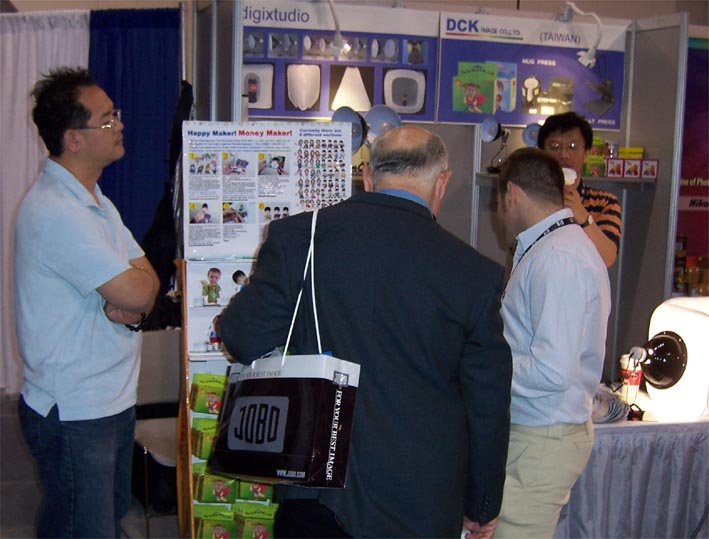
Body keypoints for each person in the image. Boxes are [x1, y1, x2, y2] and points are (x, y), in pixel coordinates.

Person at [220, 125, 512, 539]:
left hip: (316, 493)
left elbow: (242, 336)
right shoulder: (474, 274)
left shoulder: (300, 239)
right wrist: (482, 505)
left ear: (369, 177)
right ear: (441, 183)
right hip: (422, 502)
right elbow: (488, 406)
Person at [14, 67, 160, 538]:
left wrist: (135, 297)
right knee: (86, 526)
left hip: (106, 397)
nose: (119, 125)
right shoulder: (56, 210)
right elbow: (138, 290)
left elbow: (148, 280)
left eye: (116, 114)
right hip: (75, 407)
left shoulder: (94, 200)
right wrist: (135, 296)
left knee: (91, 520)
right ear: (73, 139)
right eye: (106, 119)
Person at [493, 148, 611, 538]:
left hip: (542, 435)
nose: (499, 214)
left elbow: (552, 371)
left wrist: (487, 369)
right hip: (538, 433)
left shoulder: (558, 256)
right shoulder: (552, 247)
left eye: (498, 203)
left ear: (512, 194)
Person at [537, 111, 622, 267]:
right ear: (542, 154)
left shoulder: (605, 202)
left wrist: (581, 214)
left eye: (573, 146)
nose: (564, 155)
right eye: (555, 147)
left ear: (587, 154)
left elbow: (608, 258)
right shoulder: (533, 197)